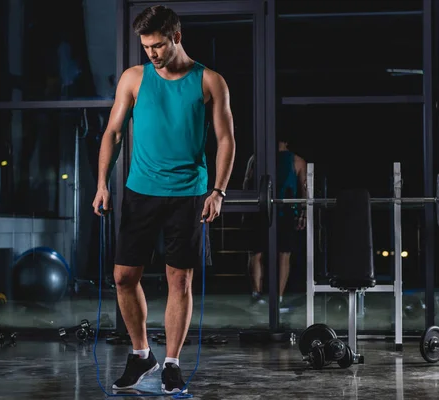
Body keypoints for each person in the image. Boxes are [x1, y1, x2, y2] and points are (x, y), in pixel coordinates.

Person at [92, 5, 235, 395]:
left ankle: (170, 363)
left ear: (176, 37)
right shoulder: (134, 79)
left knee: (179, 280)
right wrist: (102, 183)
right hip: (140, 191)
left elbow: (225, 140)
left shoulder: (210, 82)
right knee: (123, 277)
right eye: (145, 47)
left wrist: (218, 191)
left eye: (157, 45)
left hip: (188, 193)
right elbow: (114, 132)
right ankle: (141, 356)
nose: (151, 54)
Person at [243, 137, 306, 311]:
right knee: (271, 254)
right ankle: (270, 297)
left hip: (276, 210)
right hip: (271, 210)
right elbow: (304, 190)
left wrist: (303, 213)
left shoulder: (259, 158)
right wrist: (303, 213)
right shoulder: (292, 160)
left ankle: (267, 297)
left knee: (266, 254)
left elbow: (247, 182)